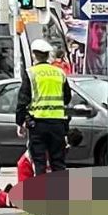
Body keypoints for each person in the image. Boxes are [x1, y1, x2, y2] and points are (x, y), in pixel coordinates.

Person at [15, 37, 72, 173]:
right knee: (58, 163)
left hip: (38, 124)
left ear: (34, 55)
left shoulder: (31, 73)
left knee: (39, 162)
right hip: (58, 124)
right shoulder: (59, 73)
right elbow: (67, 97)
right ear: (48, 55)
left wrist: (20, 122)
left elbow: (23, 100)